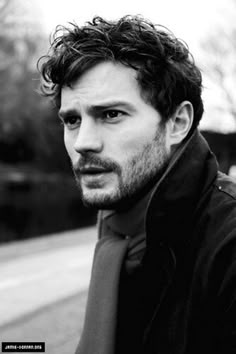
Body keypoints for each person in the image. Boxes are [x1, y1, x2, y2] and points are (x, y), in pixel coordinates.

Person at [38, 16, 236, 354]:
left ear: (177, 122)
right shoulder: (120, 231)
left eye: (111, 114)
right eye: (72, 120)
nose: (84, 142)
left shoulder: (227, 247)